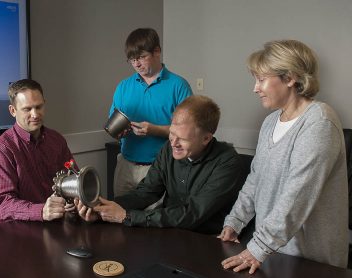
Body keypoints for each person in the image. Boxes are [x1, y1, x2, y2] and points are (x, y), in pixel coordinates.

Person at [219, 40, 348, 273]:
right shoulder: (270, 123)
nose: (255, 88)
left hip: (310, 260)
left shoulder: (319, 123)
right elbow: (255, 179)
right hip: (271, 252)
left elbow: (298, 195)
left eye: (261, 79)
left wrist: (257, 247)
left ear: (290, 78)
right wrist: (235, 222)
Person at [78, 95, 242, 233]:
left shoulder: (227, 161)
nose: (173, 143)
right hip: (169, 232)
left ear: (206, 138)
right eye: (171, 133)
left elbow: (192, 214)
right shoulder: (168, 149)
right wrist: (104, 209)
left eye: (182, 138)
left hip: (206, 238)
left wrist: (126, 216)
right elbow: (147, 192)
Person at [109, 27, 192, 197]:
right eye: (132, 60)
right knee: (118, 218)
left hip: (160, 168)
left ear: (157, 51)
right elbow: (113, 125)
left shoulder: (179, 86)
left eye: (141, 57)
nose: (137, 64)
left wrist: (154, 130)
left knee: (154, 221)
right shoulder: (123, 87)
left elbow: (188, 131)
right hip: (125, 166)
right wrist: (119, 132)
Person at [0, 79, 75, 224]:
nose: (35, 114)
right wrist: (41, 211)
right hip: (23, 229)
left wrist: (78, 198)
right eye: (27, 109)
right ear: (13, 111)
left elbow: (73, 177)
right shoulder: (2, 149)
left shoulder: (56, 140)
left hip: (59, 221)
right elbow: (0, 205)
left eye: (39, 107)